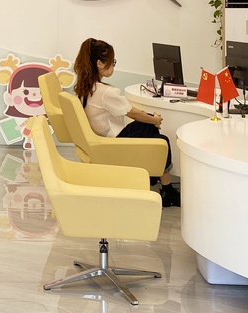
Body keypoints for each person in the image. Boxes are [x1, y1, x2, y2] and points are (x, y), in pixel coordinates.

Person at [72, 38, 180, 207]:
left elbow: (130, 110)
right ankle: (166, 188)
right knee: (161, 140)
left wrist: (150, 118)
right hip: (113, 143)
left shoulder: (84, 88)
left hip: (101, 140)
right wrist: (155, 119)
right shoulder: (105, 92)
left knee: (149, 127)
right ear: (99, 63)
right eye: (112, 62)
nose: (113, 66)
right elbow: (132, 113)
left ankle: (161, 185)